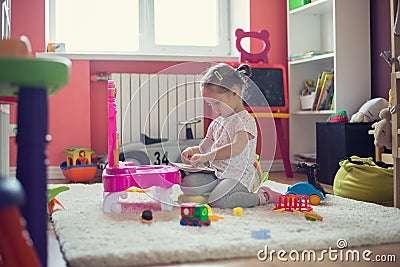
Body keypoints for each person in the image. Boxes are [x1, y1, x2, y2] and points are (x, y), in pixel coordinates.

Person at [180, 63, 281, 209]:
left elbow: (236, 148)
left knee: (219, 201)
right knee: (188, 184)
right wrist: (192, 152)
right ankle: (219, 192)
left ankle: (263, 196)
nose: (214, 109)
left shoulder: (245, 121)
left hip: (238, 177)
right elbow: (203, 148)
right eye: (210, 105)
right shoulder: (217, 122)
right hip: (216, 174)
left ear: (235, 93)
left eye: (217, 103)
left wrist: (207, 157)